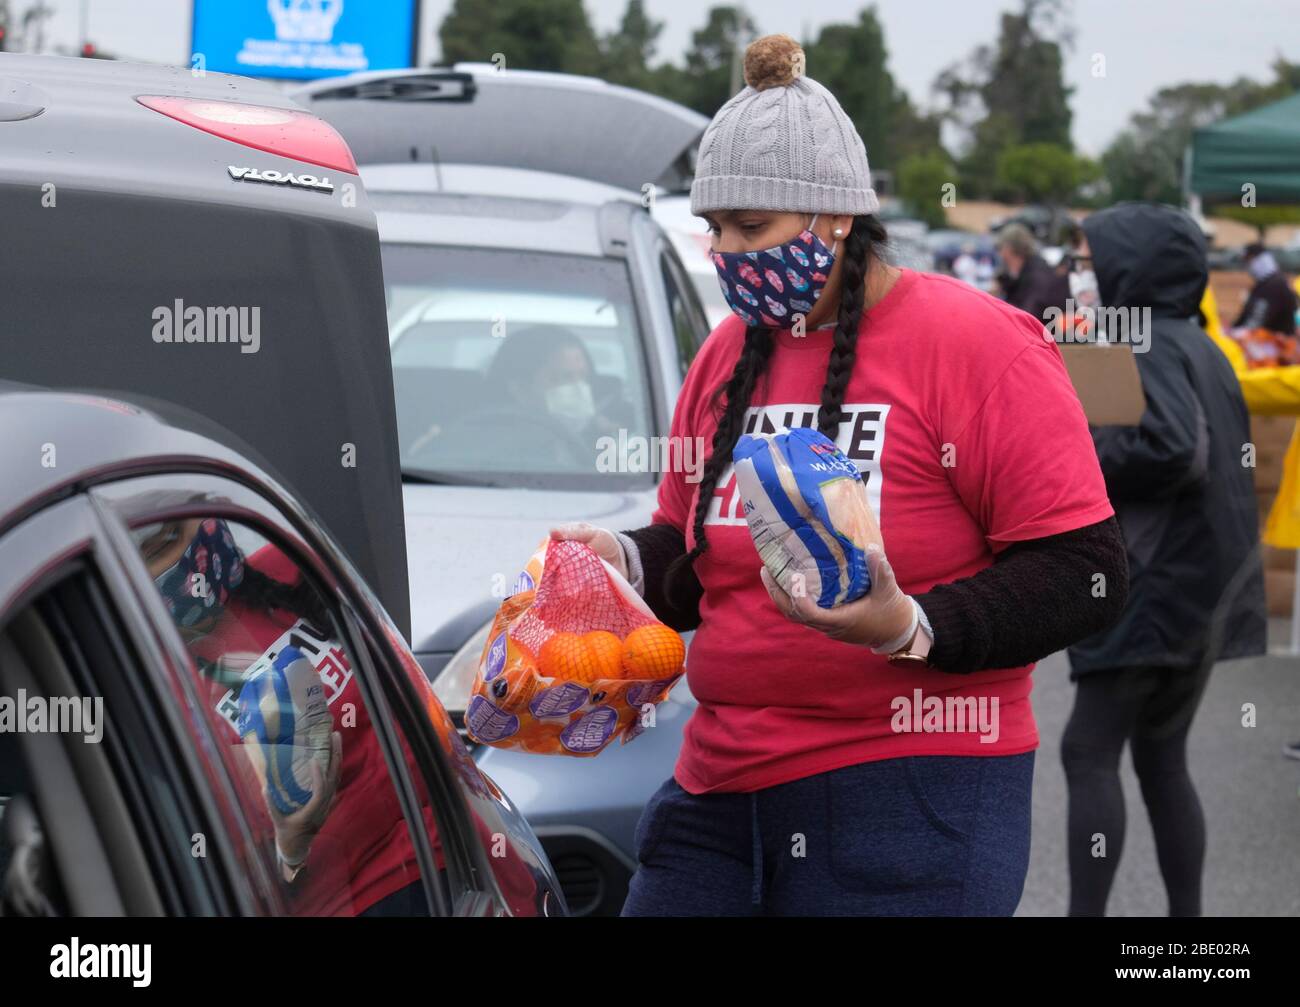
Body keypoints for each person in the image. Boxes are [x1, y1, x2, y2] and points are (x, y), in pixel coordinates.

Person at [551, 34, 1128, 917]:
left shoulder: (979, 345)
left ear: (836, 220)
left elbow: (1085, 573)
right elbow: (694, 561)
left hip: (911, 796)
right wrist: (623, 561)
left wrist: (910, 624)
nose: (726, 252)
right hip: (716, 795)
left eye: (752, 228)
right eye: (715, 228)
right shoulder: (724, 358)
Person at [1061, 202, 1266, 917]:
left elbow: (1174, 449)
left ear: (1130, 266)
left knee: (1087, 751)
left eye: (1089, 261)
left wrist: (1076, 452)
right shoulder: (1201, 342)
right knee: (1160, 756)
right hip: (1201, 586)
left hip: (1150, 584)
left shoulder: (1140, 340)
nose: (1080, 275)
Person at [134, 514, 441, 915]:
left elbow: (413, 702)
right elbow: (217, 882)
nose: (187, 554)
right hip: (349, 902)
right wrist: (291, 850)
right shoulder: (153, 696)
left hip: (443, 849)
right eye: (156, 549)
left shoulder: (292, 567)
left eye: (175, 530)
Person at [996, 222, 1071, 327]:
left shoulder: (1037, 276)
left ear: (1007, 250)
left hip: (1055, 336)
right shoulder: (1026, 272)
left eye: (999, 248)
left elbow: (1028, 317)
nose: (999, 254)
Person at [1234, 242, 1298, 335]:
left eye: (1249, 260)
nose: (1248, 266)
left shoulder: (1275, 285)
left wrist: (1238, 333)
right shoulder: (1265, 284)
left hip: (1274, 344)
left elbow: (1255, 322)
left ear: (1262, 259)